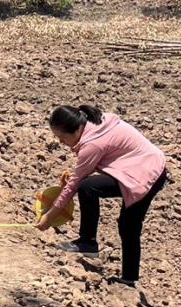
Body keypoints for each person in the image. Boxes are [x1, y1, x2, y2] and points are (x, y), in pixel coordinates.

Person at [36, 105, 167, 287]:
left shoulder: (92, 144)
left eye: (63, 138)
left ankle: (90, 245)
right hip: (143, 164)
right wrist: (78, 173)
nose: (61, 142)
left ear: (75, 130)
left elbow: (74, 185)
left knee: (125, 222)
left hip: (146, 173)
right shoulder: (95, 122)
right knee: (94, 192)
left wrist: (49, 216)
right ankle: (120, 270)